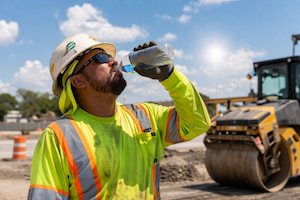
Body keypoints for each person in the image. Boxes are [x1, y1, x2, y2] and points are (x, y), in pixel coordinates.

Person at [28, 33, 211, 200]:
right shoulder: (59, 137)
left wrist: (170, 76)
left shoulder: (145, 117)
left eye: (109, 56)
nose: (113, 61)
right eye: (99, 58)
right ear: (78, 80)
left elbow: (198, 123)